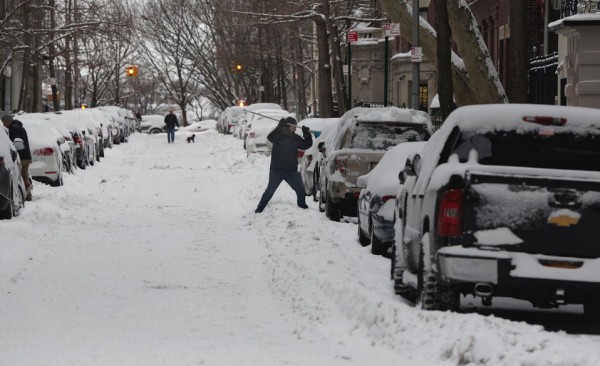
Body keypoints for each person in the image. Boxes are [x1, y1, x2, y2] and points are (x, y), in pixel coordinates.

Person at [255, 116, 312, 213]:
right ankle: (259, 210)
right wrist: (278, 127)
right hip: (277, 170)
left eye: (296, 126)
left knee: (300, 190)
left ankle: (303, 210)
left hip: (291, 171)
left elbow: (306, 145)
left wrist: (307, 134)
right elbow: (270, 137)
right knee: (270, 191)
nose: (295, 128)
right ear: (288, 126)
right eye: (294, 126)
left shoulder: (295, 138)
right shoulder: (278, 135)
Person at [2, 114, 33, 201]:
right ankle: (28, 196)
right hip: (26, 156)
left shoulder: (13, 129)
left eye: (4, 123)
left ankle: (27, 188)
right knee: (24, 176)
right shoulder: (19, 127)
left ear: (8, 121)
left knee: (21, 177)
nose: (4, 125)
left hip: (21, 157)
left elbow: (16, 143)